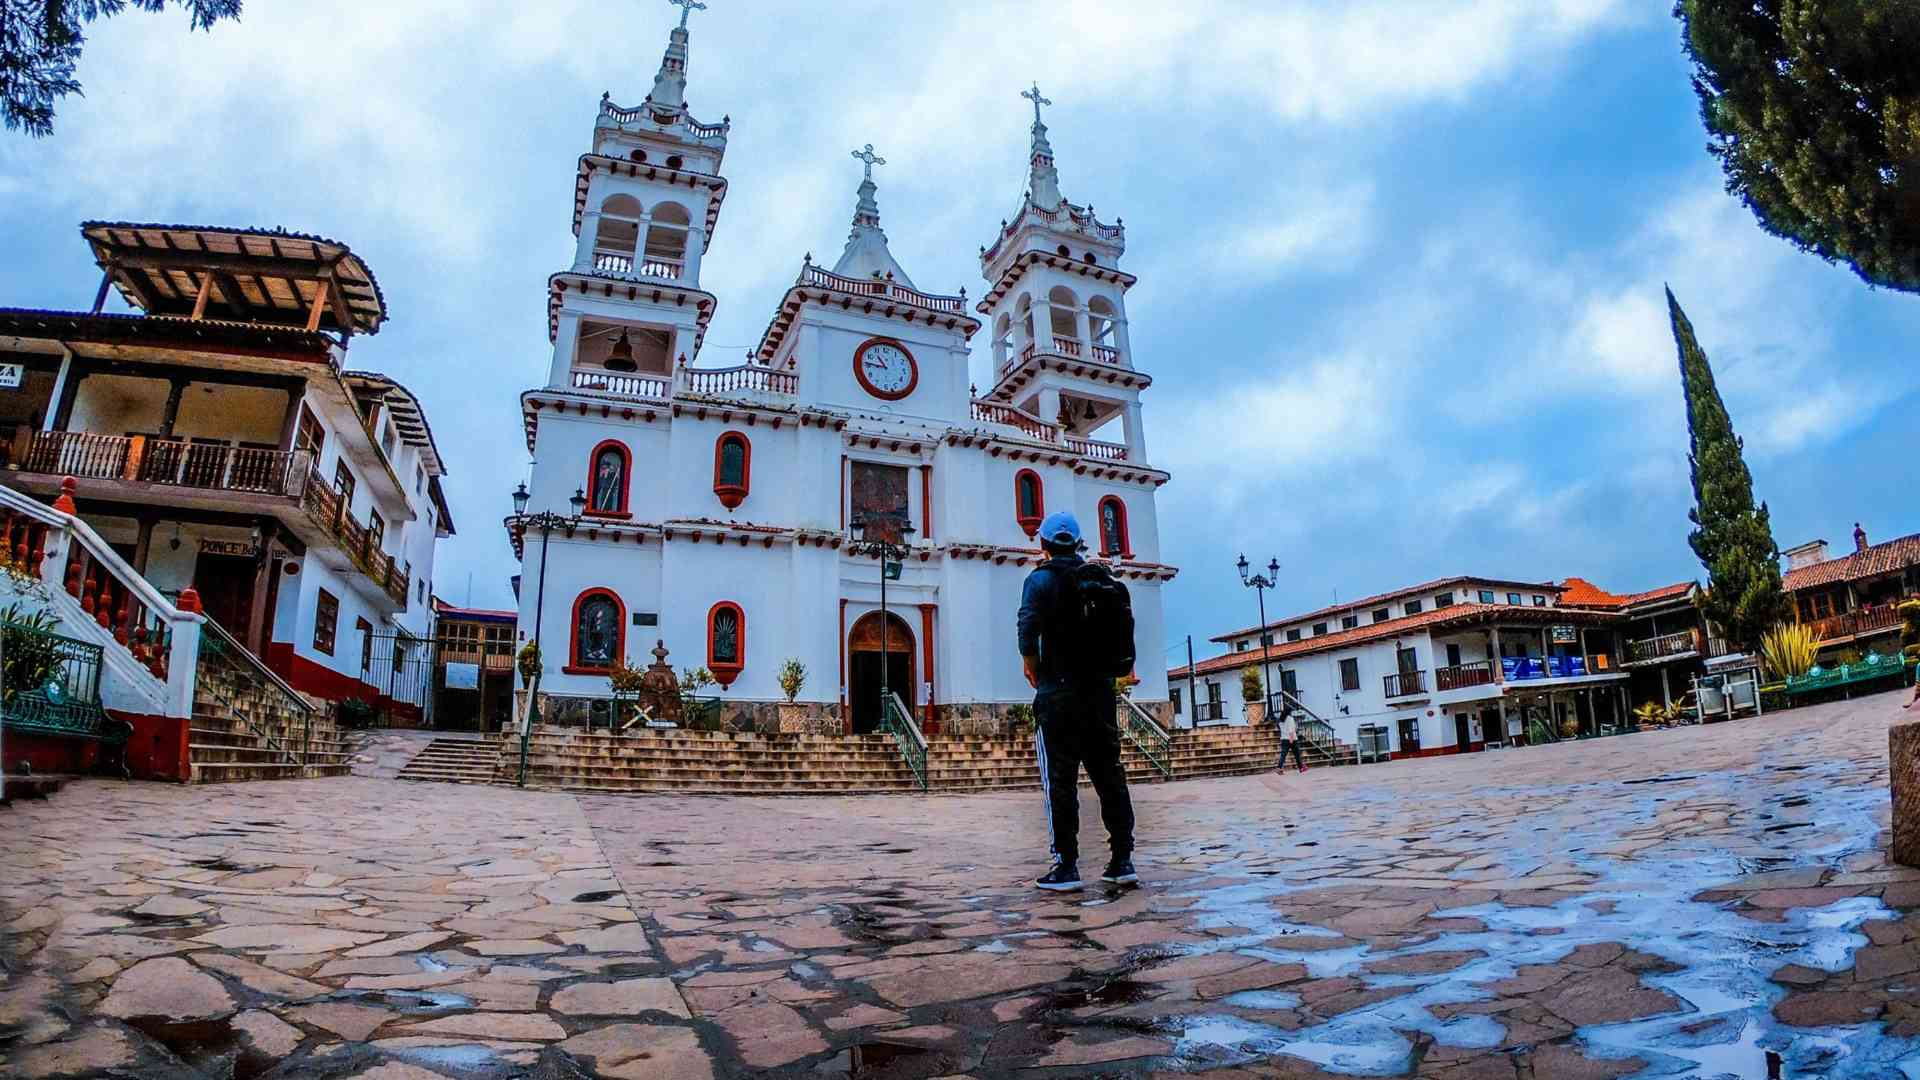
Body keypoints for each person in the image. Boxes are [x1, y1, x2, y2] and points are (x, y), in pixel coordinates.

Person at [1018, 510, 1135, 892]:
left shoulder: (1039, 580)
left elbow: (1026, 629)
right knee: (1109, 775)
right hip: (1100, 693)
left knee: (1061, 780)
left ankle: (1066, 865)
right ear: (1080, 542)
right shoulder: (1103, 582)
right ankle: (1122, 859)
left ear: (1044, 544)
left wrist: (1031, 665)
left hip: (1058, 694)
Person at [1278, 708, 1306, 773]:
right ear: (1289, 712)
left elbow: (1281, 729)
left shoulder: (1280, 720)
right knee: (1297, 754)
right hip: (1292, 739)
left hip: (1284, 739)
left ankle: (1279, 767)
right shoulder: (1290, 719)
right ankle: (1301, 768)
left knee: (1283, 755)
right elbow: (1291, 731)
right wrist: (1291, 740)